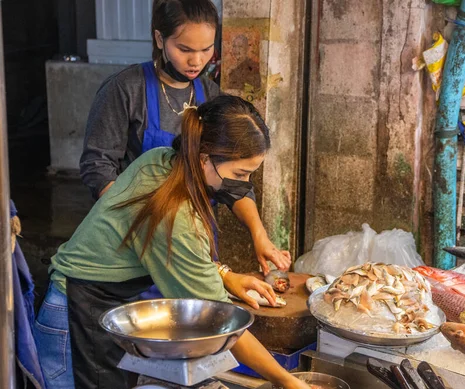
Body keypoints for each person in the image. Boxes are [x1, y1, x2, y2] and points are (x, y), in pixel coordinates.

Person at [37, 96, 310, 389]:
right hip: (72, 315)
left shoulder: (162, 160)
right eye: (239, 174)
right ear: (205, 158)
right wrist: (288, 382)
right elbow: (222, 322)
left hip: (94, 305)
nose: (242, 185)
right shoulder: (174, 213)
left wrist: (225, 276)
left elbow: (167, 254)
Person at [79, 0, 289, 274]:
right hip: (134, 244)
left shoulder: (211, 95)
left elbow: (234, 179)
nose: (197, 61)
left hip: (193, 245)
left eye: (206, 49)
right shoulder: (127, 89)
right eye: (185, 49)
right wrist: (147, 227)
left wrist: (259, 235)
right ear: (160, 38)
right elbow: (98, 169)